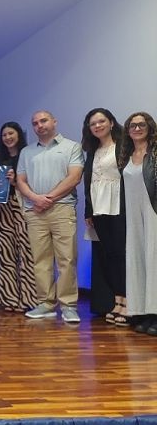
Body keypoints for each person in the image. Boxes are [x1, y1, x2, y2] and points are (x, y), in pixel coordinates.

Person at [18, 110, 84, 323]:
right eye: (35, 123)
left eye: (43, 120)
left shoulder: (72, 147)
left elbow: (74, 177)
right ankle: (46, 303)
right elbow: (21, 181)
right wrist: (35, 199)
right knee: (41, 260)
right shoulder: (26, 152)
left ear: (54, 122)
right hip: (35, 211)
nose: (39, 125)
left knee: (67, 259)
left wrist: (48, 198)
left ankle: (68, 306)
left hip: (62, 209)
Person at [81, 109, 126, 325]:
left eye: (101, 121)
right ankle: (117, 300)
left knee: (122, 255)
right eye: (93, 124)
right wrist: (88, 211)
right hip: (99, 209)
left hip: (119, 206)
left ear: (111, 123)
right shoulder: (93, 151)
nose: (97, 126)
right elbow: (89, 183)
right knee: (110, 256)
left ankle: (127, 302)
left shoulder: (123, 146)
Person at [0, 122, 36, 312]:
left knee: (27, 255)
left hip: (23, 208)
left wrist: (15, 181)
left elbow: (34, 184)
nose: (7, 137)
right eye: (4, 135)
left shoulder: (28, 156)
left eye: (11, 133)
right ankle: (9, 298)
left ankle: (29, 299)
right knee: (5, 255)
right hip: (2, 210)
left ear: (19, 135)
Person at [119, 112, 157, 335]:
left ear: (149, 127)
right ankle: (141, 311)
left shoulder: (155, 154)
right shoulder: (126, 155)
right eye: (132, 125)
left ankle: (155, 313)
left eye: (141, 124)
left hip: (153, 212)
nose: (137, 128)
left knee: (154, 260)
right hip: (133, 216)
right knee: (137, 261)